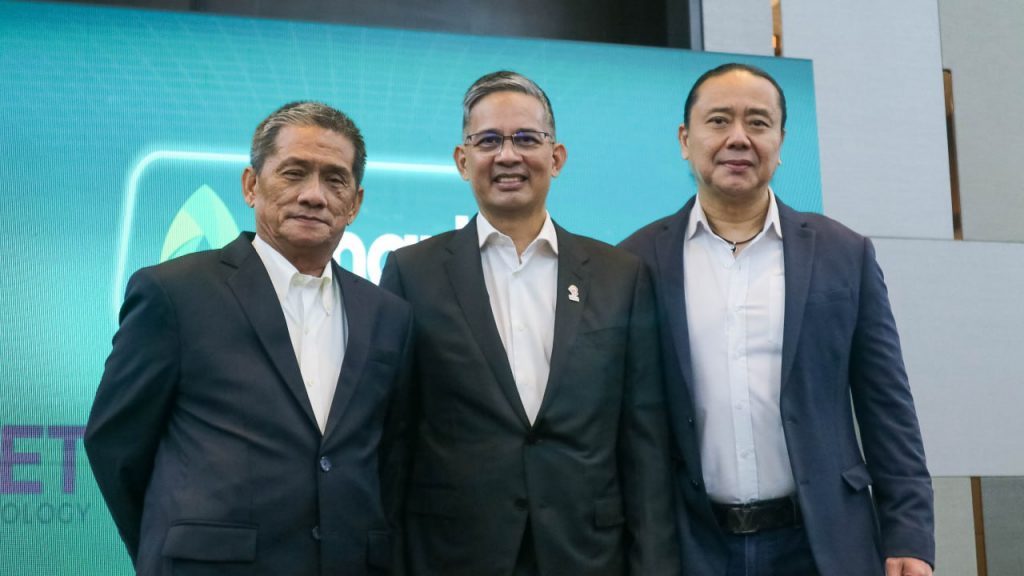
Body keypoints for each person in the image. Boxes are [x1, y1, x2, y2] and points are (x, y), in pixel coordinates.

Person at [620, 62, 935, 576]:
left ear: (781, 142)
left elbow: (888, 407)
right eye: (718, 120)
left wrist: (910, 535)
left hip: (820, 544)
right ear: (685, 140)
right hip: (692, 547)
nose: (738, 138)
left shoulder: (843, 254)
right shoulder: (635, 262)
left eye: (758, 122)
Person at [85, 101, 413, 576]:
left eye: (334, 179)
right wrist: (171, 542)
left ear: (355, 204)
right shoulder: (175, 292)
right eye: (294, 173)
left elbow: (391, 459)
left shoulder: (387, 315)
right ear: (251, 185)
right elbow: (115, 444)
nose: (313, 195)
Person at [379, 71, 680, 576]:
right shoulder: (413, 273)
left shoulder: (620, 276)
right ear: (462, 160)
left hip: (588, 554)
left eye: (525, 139)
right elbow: (395, 439)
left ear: (556, 158)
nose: (507, 156)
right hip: (455, 555)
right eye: (488, 141)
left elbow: (644, 444)